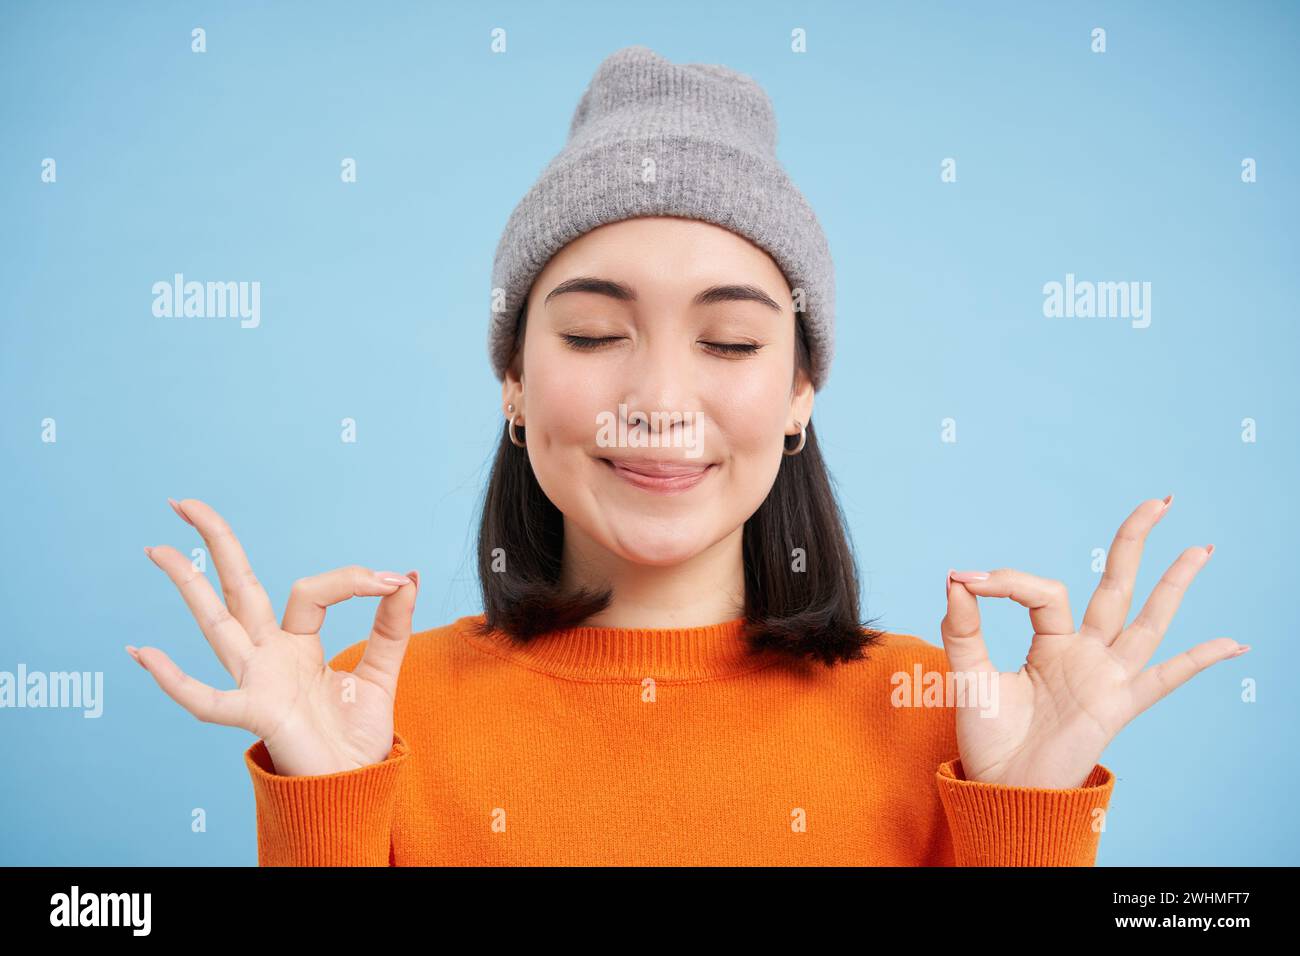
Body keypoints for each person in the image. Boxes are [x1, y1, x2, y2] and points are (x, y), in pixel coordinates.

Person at [131, 46, 1246, 866]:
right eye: (590, 335)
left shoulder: (946, 715)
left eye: (728, 341)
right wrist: (322, 804)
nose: (660, 401)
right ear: (512, 381)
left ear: (801, 388)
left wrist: (1030, 813)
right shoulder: (370, 714)